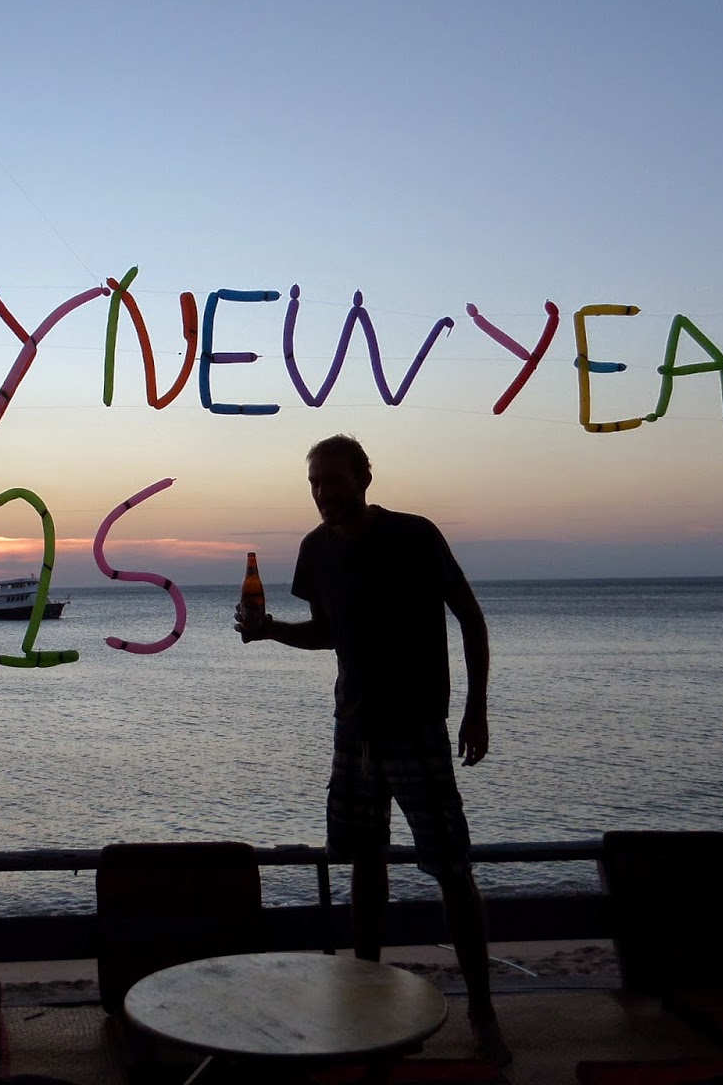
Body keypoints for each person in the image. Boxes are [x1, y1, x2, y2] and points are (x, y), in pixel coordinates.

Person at [234, 433, 506, 1062]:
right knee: (363, 862)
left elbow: (470, 616)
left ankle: (483, 1011)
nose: (323, 492)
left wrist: (477, 709)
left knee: (452, 869)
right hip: (353, 728)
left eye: (333, 479)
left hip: (417, 725)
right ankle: (368, 1003)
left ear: (364, 477)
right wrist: (270, 630)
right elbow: (329, 634)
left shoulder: (414, 535)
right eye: (314, 483)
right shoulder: (315, 550)